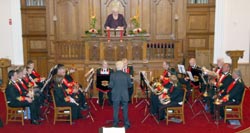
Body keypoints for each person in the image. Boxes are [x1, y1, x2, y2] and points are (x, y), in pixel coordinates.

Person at [109, 61, 132, 129]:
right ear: (122, 67)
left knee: (115, 109)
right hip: (124, 94)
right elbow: (130, 85)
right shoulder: (127, 75)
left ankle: (115, 123)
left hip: (116, 94)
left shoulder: (112, 75)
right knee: (125, 109)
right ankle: (126, 124)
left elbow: (111, 85)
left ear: (116, 67)